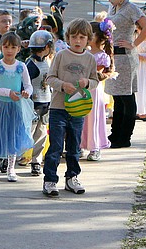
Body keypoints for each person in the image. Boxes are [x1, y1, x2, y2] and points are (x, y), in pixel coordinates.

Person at [42, 18, 99, 197]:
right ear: (67, 38)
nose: (77, 40)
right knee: (56, 146)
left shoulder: (90, 59)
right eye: (74, 36)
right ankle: (50, 180)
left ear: (88, 39)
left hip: (78, 109)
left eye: (82, 37)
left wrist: (87, 82)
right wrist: (62, 85)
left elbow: (96, 81)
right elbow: (49, 78)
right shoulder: (61, 56)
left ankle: (72, 177)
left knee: (74, 146)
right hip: (58, 108)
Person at [103, 0, 146, 149]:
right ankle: (115, 133)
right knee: (117, 97)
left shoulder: (130, 8)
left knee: (126, 96)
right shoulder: (113, 7)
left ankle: (125, 135)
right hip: (113, 56)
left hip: (125, 57)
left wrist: (134, 44)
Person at [0, 32, 34, 182]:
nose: (9, 50)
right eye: (6, 47)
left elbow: (28, 85)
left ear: (18, 49)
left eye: (13, 47)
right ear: (1, 47)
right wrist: (8, 92)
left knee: (13, 135)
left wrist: (27, 92)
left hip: (15, 106)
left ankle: (11, 169)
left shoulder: (21, 66)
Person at [81, 20, 115, 161]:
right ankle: (80, 145)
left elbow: (96, 73)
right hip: (81, 89)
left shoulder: (101, 56)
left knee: (93, 117)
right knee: (80, 116)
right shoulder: (82, 52)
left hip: (93, 90)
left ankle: (95, 147)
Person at [24, 30, 55, 176]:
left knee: (41, 134)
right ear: (47, 46)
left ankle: (36, 161)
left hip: (46, 101)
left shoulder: (46, 62)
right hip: (33, 103)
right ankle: (12, 157)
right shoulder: (30, 64)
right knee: (28, 133)